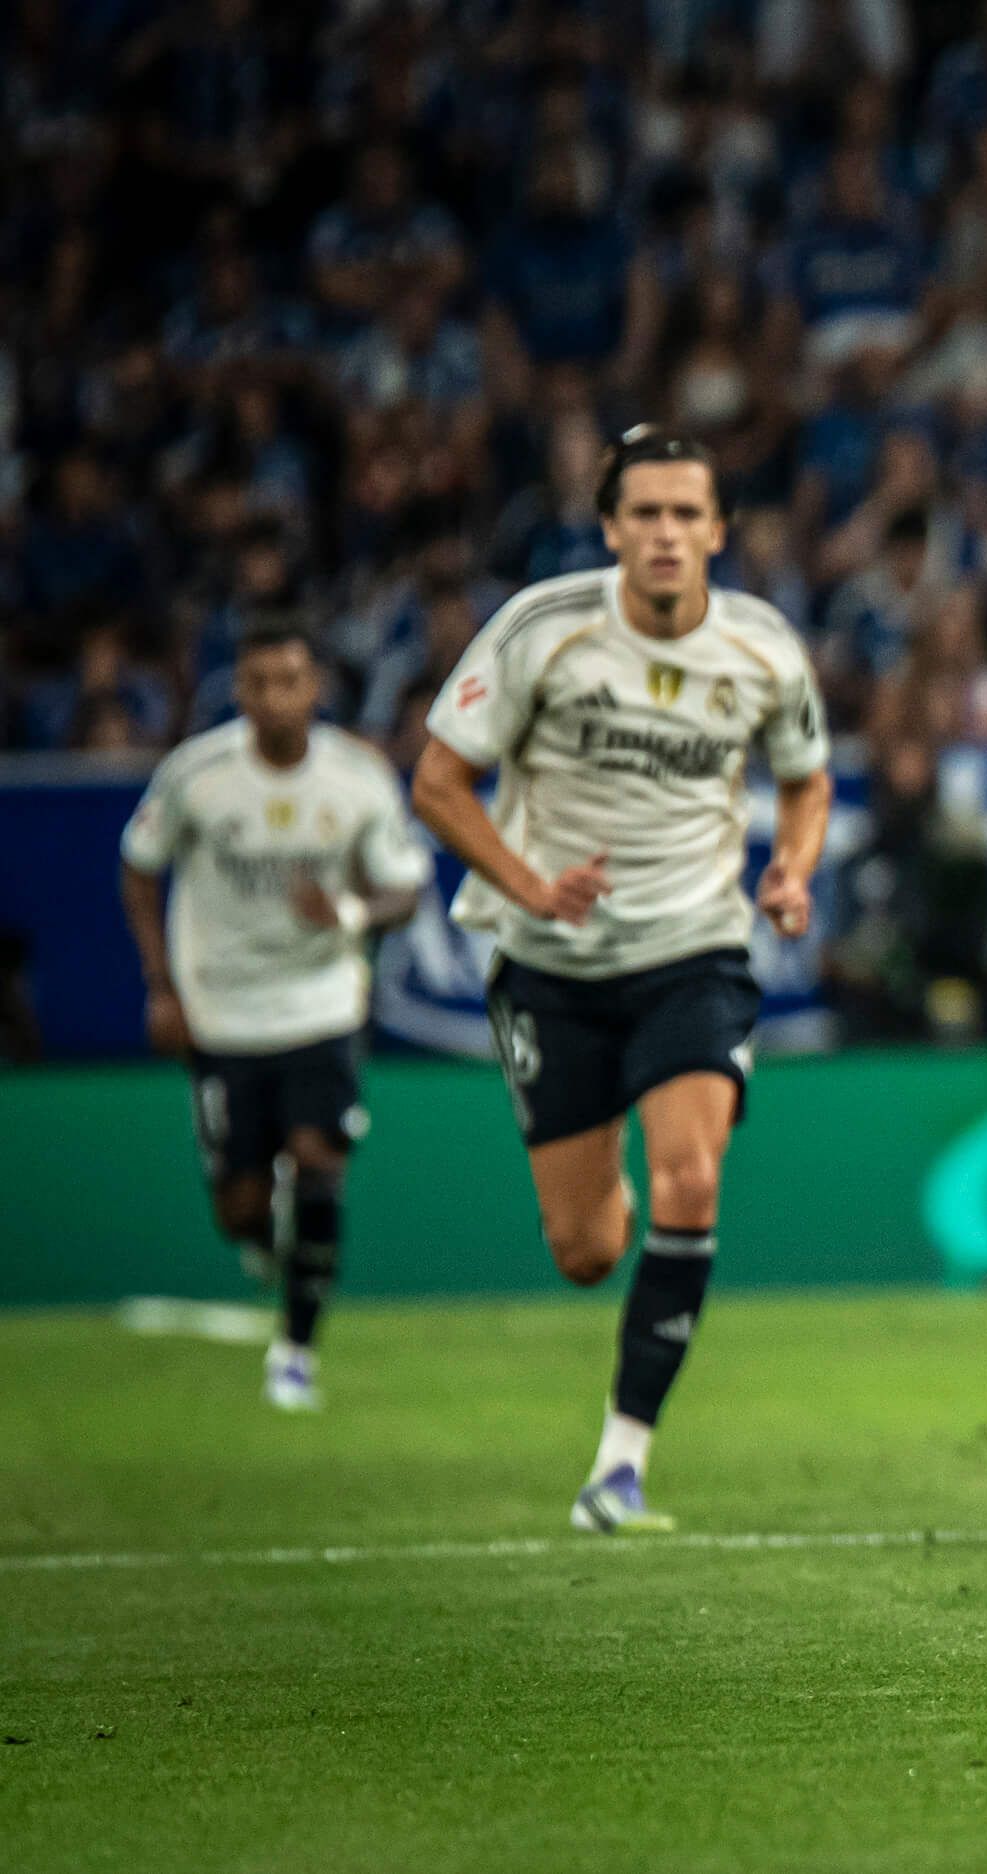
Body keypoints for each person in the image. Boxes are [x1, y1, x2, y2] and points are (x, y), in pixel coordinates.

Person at [410, 426, 831, 1535]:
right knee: (587, 1248)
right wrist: (527, 882)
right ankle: (617, 1198)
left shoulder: (763, 647)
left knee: (692, 1174)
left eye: (686, 514)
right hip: (551, 964)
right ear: (609, 527)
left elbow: (807, 774)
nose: (665, 533)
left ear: (717, 530)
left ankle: (621, 1462)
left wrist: (791, 867)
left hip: (695, 946)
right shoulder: (542, 630)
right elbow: (440, 782)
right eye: (643, 513)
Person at [118, 623, 431, 1410]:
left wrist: (351, 913)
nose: (273, 698)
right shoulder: (198, 775)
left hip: (319, 1000)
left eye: (288, 680)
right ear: (240, 693)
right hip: (222, 1006)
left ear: (313, 687)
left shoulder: (357, 777)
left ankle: (295, 1351)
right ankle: (263, 1236)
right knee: (240, 1208)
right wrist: (161, 985)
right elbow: (139, 866)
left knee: (321, 1160)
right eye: (257, 683)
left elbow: (407, 886)